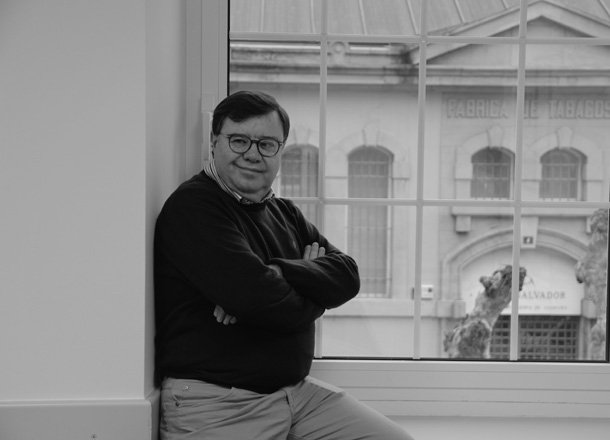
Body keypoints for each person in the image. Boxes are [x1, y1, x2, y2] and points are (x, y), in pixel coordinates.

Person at [154, 90, 414, 440]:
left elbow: (348, 276)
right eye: (239, 141)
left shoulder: (284, 212)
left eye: (266, 144)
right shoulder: (194, 207)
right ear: (214, 142)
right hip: (218, 403)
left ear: (280, 151)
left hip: (296, 396)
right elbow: (256, 298)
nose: (252, 154)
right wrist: (307, 289)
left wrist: (277, 272)